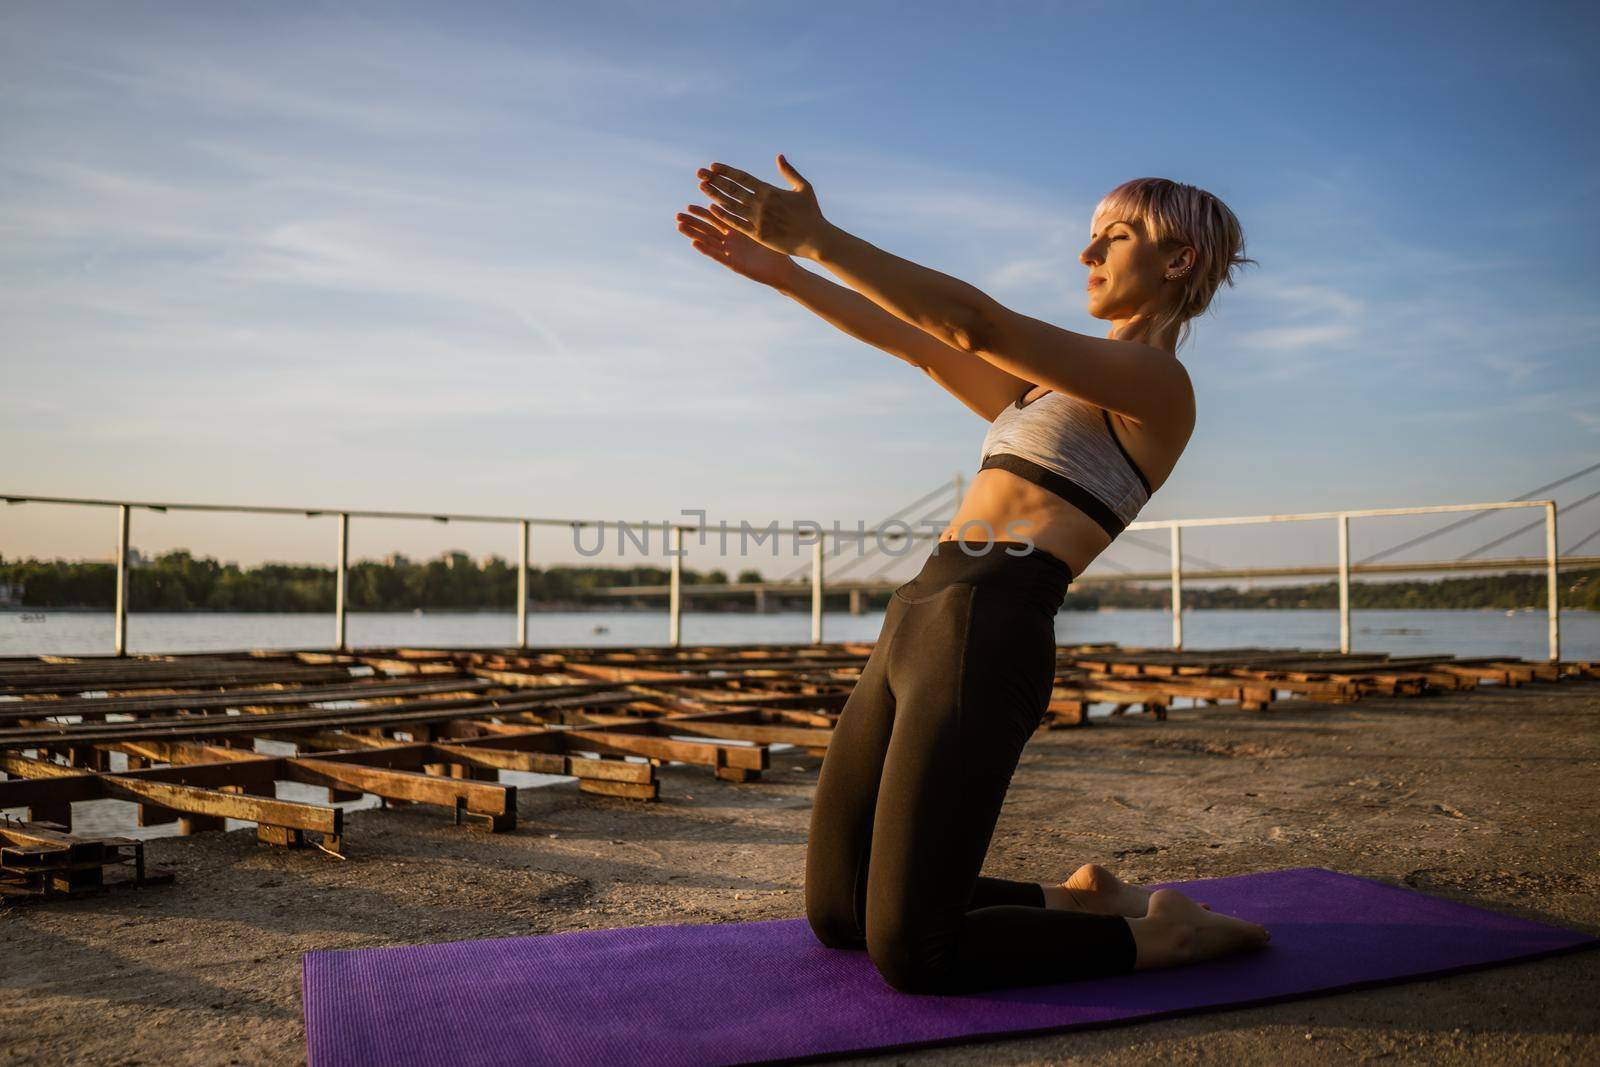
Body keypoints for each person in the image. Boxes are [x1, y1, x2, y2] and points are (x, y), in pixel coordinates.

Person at [673, 156, 1266, 995]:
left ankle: (1163, 937)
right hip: (918, 612)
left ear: (1179, 262)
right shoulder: (1042, 390)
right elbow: (920, 342)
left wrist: (823, 239)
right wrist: (785, 270)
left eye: (1116, 236)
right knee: (839, 913)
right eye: (1091, 235)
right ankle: (1081, 902)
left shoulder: (1158, 385)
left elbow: (970, 323)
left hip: (990, 625)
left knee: (919, 954)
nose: (1087, 253)